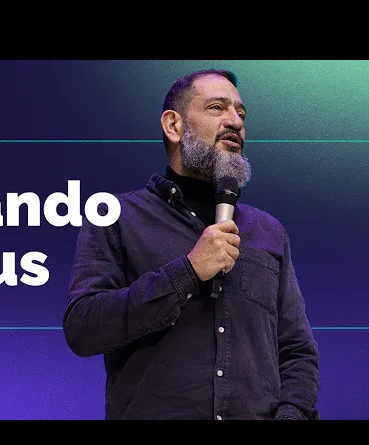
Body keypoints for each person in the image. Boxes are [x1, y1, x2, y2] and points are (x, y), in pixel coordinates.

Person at [62, 68, 319, 420]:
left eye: (241, 114)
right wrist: (188, 271)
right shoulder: (116, 217)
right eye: (217, 108)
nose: (235, 122)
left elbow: (297, 351)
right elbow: (83, 328)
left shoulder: (269, 232)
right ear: (174, 126)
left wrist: (292, 414)